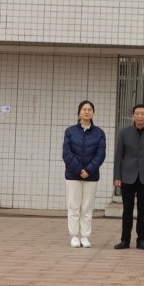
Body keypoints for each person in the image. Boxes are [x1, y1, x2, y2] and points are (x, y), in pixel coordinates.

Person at [113, 104, 144, 250]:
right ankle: (125, 240)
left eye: (143, 114)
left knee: (143, 210)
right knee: (127, 209)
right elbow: (118, 156)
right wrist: (117, 176)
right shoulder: (124, 133)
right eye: (137, 113)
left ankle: (141, 240)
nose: (140, 116)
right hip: (127, 176)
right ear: (133, 116)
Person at [62, 99, 106, 248]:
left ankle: (85, 236)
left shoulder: (99, 133)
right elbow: (66, 153)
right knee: (74, 206)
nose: (87, 112)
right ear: (79, 112)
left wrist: (89, 170)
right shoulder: (70, 131)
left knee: (87, 207)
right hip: (73, 175)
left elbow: (100, 154)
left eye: (90, 110)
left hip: (91, 176)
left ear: (93, 113)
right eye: (84, 109)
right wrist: (78, 170)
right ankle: (75, 236)